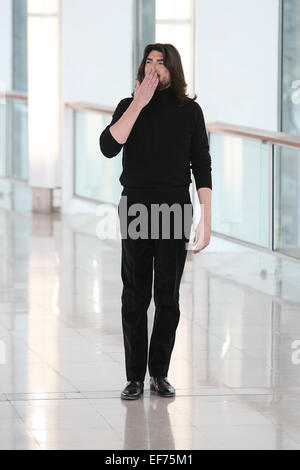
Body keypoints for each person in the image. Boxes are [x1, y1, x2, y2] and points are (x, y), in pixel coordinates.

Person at [99, 43, 212, 400]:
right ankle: (134, 377)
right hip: (134, 207)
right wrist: (137, 104)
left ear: (172, 69)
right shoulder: (127, 107)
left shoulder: (190, 111)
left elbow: (202, 165)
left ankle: (159, 373)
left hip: (176, 209)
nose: (153, 68)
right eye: (148, 62)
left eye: (160, 63)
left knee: (168, 297)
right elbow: (108, 146)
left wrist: (205, 217)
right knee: (134, 295)